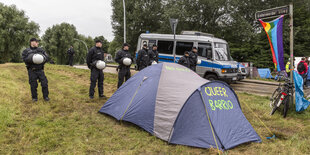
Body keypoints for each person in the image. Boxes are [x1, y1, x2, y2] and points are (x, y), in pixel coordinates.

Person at [22, 38, 49, 102]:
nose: (38, 43)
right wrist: (32, 58)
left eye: (38, 42)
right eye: (36, 42)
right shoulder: (26, 51)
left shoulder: (41, 50)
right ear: (32, 42)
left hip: (40, 70)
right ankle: (34, 98)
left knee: (44, 83)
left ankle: (46, 97)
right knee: (33, 85)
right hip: (32, 70)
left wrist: (42, 59)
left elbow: (47, 57)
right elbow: (24, 59)